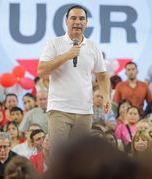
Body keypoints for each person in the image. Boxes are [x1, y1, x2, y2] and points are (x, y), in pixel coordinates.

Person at [37, 5, 111, 152]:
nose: (77, 21)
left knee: (80, 158)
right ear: (66, 21)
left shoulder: (93, 46)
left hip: (84, 110)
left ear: (86, 23)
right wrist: (66, 56)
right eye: (73, 18)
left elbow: (102, 75)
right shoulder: (54, 43)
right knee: (59, 157)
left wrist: (107, 96)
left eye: (82, 18)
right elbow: (41, 70)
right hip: (59, 109)